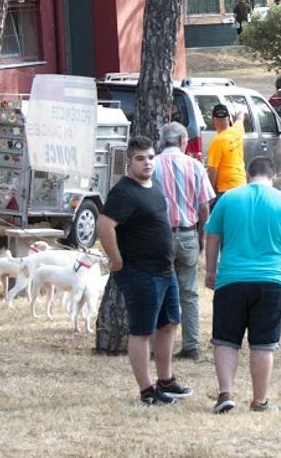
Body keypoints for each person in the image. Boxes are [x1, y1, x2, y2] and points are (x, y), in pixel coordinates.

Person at [204, 156, 281, 413]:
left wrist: (210, 270)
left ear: (248, 174)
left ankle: (225, 392)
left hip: (231, 279)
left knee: (226, 340)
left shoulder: (228, 199)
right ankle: (259, 400)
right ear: (274, 177)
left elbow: (212, 236)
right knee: (263, 344)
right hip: (270, 281)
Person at [97, 136, 194, 406]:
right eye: (140, 158)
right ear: (129, 161)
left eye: (150, 157)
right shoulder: (124, 191)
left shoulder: (153, 185)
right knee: (141, 331)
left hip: (165, 270)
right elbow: (104, 225)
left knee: (169, 323)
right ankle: (147, 390)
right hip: (140, 273)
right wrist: (115, 260)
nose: (147, 162)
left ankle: (166, 380)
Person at [152, 122, 216, 362]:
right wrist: (201, 235)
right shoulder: (195, 166)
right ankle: (191, 344)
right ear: (182, 141)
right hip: (187, 232)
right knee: (188, 292)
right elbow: (203, 205)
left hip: (160, 236)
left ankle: (153, 344)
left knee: (157, 289)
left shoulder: (154, 165)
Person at [206, 102, 247, 202]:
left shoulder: (217, 142)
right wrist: (241, 112)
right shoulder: (237, 130)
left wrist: (210, 194)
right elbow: (240, 118)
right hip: (241, 185)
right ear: (228, 119)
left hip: (226, 189)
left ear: (214, 120)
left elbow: (212, 171)